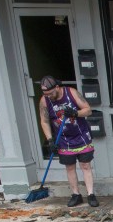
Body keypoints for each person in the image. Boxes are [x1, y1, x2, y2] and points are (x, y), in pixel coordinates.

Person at [38, 75, 98, 207]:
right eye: (46, 94)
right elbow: (44, 121)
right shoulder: (44, 101)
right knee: (70, 167)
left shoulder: (71, 92)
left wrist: (75, 113)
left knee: (85, 165)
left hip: (81, 134)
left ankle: (91, 194)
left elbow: (88, 110)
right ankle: (76, 195)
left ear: (57, 87)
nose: (49, 96)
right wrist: (50, 140)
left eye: (51, 93)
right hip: (63, 138)